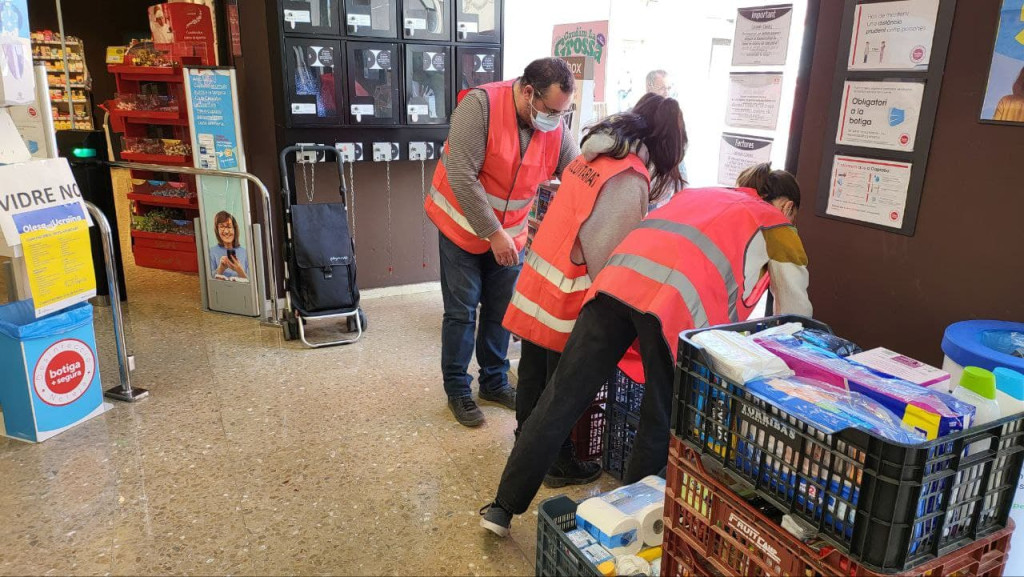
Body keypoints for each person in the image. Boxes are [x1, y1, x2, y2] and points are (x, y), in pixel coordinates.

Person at [480, 163, 811, 536]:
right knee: (658, 419)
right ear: (786, 206)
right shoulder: (776, 225)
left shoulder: (700, 193)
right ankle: (624, 531)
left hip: (613, 286)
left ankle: (501, 508)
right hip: (672, 310)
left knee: (561, 397)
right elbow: (795, 315)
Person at [502, 92, 687, 488]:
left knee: (534, 371)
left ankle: (527, 446)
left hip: (543, 273)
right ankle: (556, 461)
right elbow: (613, 256)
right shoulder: (629, 174)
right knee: (563, 389)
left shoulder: (595, 154)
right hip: (572, 289)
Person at [424, 57, 581, 428]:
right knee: (462, 312)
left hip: (511, 236)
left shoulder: (553, 125)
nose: (555, 119)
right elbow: (462, 176)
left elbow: (574, 171)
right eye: (549, 110)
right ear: (528, 92)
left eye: (562, 112)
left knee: (501, 312)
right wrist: (493, 233)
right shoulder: (479, 106)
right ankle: (458, 389)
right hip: (462, 227)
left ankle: (493, 382)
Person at [645, 69, 686, 190]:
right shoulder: (638, 114)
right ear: (649, 87)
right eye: (662, 88)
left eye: (669, 88)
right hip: (649, 179)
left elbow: (680, 150)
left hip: (669, 178)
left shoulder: (673, 114)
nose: (667, 92)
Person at [210, 211, 248, 281]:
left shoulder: (245, 253)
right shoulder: (211, 252)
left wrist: (239, 269)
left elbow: (252, 283)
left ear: (235, 229)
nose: (226, 231)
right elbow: (209, 282)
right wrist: (220, 269)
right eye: (222, 227)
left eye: (229, 227)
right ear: (217, 230)